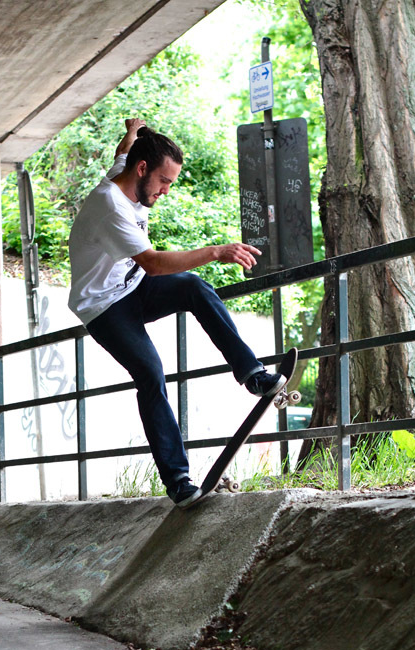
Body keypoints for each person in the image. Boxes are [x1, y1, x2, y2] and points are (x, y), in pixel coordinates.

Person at [68, 118, 287, 508]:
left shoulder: (127, 169)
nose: (166, 191)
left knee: (193, 287)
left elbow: (124, 150)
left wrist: (134, 131)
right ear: (142, 170)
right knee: (150, 374)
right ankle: (178, 482)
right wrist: (217, 251)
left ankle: (252, 374)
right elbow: (153, 263)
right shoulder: (109, 206)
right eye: (164, 182)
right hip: (103, 307)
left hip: (134, 287)